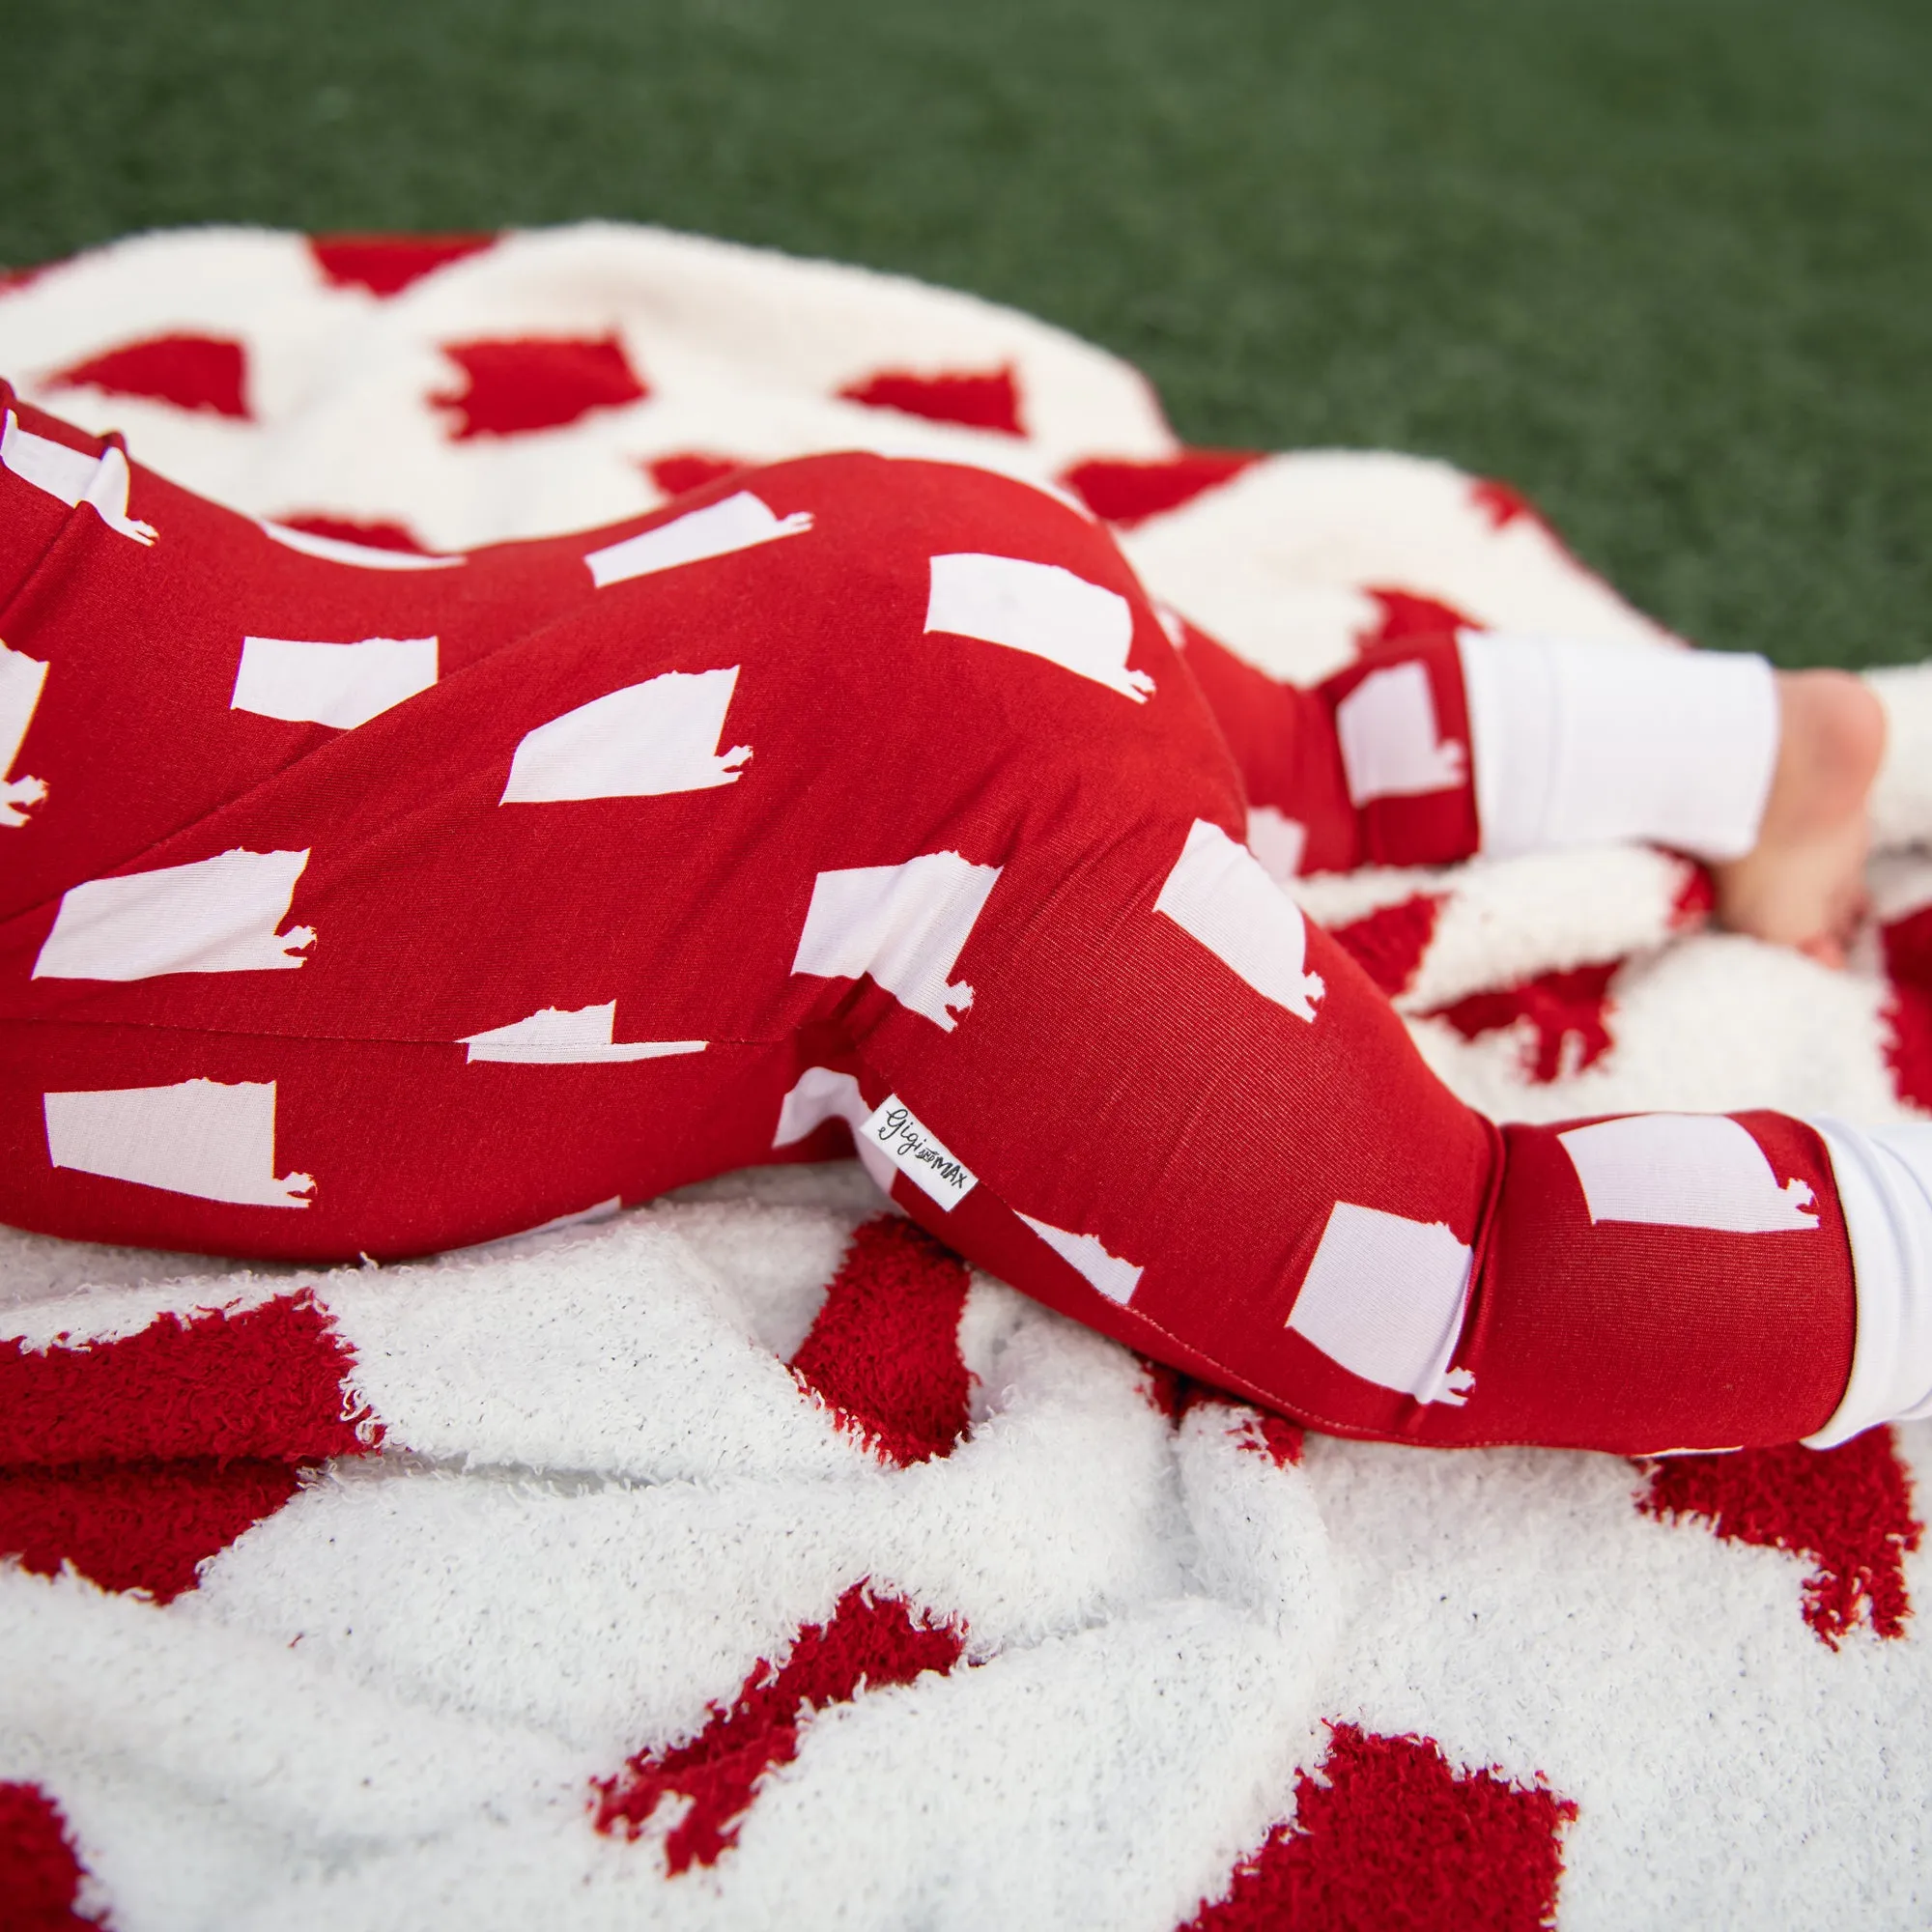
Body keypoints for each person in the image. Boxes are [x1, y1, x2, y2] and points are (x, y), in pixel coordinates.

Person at [1, 381, 1924, 1461]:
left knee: (1452, 1279)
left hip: (920, 850)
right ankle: (1762, 744)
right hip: (877, 582)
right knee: (1300, 760)